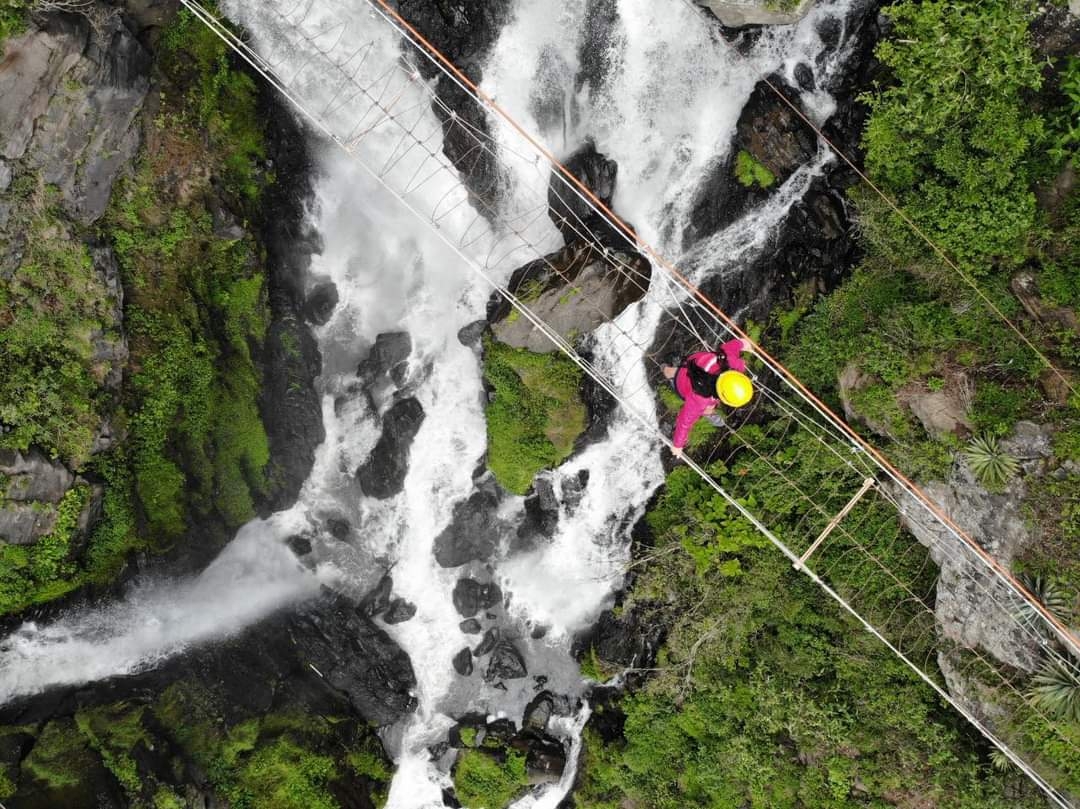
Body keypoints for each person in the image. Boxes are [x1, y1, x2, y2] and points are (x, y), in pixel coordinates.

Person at [662, 338, 754, 459]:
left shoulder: (733, 364)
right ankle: (664, 368)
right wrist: (677, 446)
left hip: (697, 360)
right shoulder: (700, 399)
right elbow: (684, 421)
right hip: (684, 380)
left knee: (707, 404)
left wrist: (742, 343)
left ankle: (708, 412)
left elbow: (729, 348)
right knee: (672, 373)